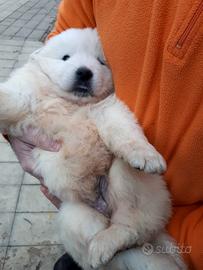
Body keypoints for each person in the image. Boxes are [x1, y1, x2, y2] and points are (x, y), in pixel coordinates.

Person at [9, 0, 203, 269]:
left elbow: (117, 124)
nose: (85, 68)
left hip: (167, 214)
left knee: (125, 172)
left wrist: (134, 147)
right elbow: (59, 45)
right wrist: (17, 127)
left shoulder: (105, 106)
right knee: (72, 224)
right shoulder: (55, 61)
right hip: (87, 210)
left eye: (102, 61)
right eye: (68, 59)